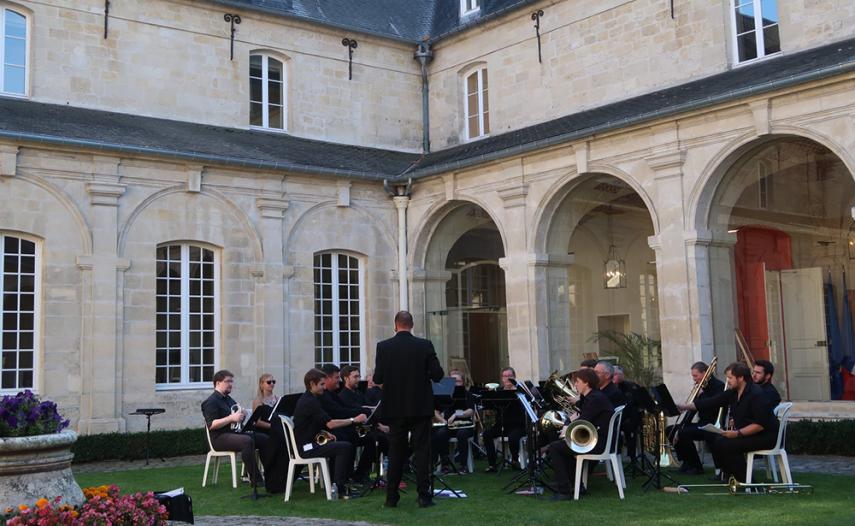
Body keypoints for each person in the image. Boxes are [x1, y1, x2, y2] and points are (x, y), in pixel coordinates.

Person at [374, 310, 444, 508]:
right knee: (422, 451)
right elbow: (438, 374)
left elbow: (378, 378)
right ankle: (424, 496)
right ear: (411, 325)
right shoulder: (425, 345)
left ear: (395, 325)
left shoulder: (384, 347)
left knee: (396, 451)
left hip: (395, 408)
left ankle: (391, 497)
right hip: (420, 407)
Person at [680, 362, 778, 482]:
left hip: (766, 436)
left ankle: (747, 482)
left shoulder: (756, 394)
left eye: (730, 378)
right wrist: (683, 407)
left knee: (727, 444)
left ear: (740, 378)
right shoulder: (733, 392)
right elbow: (712, 402)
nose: (727, 381)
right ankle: (732, 477)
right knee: (719, 441)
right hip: (750, 434)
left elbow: (760, 425)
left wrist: (737, 433)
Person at [293, 368, 367, 499]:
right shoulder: (310, 401)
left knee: (339, 442)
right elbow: (331, 423)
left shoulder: (310, 398)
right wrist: (353, 420)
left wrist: (324, 432)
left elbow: (311, 424)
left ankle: (338, 484)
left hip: (311, 442)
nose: (324, 387)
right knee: (344, 447)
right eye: (321, 384)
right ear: (312, 384)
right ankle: (339, 489)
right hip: (306, 447)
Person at [547, 368, 615, 500]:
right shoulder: (592, 396)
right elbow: (581, 416)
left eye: (577, 381)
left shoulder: (594, 398)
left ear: (587, 383)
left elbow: (582, 420)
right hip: (596, 439)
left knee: (555, 448)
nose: (575, 384)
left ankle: (564, 490)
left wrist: (567, 427)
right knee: (561, 446)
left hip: (598, 443)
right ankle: (576, 486)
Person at [201, 369, 269, 485]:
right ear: (218, 383)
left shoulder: (228, 399)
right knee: (247, 441)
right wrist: (231, 418)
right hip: (218, 438)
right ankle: (255, 480)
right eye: (228, 381)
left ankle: (271, 474)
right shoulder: (211, 402)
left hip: (233, 433)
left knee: (264, 438)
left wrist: (242, 414)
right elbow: (211, 425)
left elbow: (235, 413)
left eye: (231, 381)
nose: (231, 384)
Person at [318, 364, 376, 484]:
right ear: (327, 378)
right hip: (328, 433)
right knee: (350, 439)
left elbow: (345, 408)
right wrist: (360, 414)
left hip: (343, 428)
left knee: (371, 435)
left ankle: (359, 473)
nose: (338, 380)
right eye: (336, 377)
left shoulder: (332, 394)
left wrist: (362, 411)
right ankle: (342, 478)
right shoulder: (324, 396)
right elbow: (339, 412)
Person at [668, 361, 725, 475]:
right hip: (702, 423)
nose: (694, 379)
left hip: (712, 424)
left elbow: (713, 405)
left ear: (704, 373)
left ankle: (697, 467)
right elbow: (693, 410)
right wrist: (681, 426)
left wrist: (702, 395)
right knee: (671, 430)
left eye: (695, 376)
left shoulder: (718, 386)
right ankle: (687, 462)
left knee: (683, 433)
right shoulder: (700, 386)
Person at [482, 367, 526, 473]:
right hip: (501, 424)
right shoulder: (499, 392)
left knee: (513, 437)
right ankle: (492, 464)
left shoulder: (520, 392)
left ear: (514, 377)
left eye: (509, 376)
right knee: (486, 434)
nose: (507, 378)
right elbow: (491, 408)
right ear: (502, 379)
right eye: (505, 376)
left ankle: (515, 460)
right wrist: (490, 397)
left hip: (517, 425)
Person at [431, 371, 476, 473]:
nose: (455, 384)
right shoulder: (444, 395)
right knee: (440, 433)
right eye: (453, 381)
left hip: (465, 425)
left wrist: (457, 414)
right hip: (449, 425)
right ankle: (445, 464)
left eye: (458, 381)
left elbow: (470, 411)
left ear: (463, 382)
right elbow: (435, 411)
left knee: (462, 434)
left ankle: (463, 465)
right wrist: (444, 421)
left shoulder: (467, 394)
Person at [613, 365, 642, 465]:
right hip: (614, 419)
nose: (613, 376)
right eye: (612, 374)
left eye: (616, 374)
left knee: (631, 426)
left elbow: (635, 404)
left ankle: (632, 456)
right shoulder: (609, 388)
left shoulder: (631, 386)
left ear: (622, 375)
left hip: (628, 419)